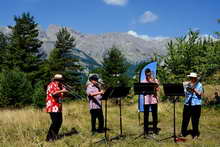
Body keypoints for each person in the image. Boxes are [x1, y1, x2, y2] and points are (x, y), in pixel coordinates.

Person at [45, 74, 68, 141]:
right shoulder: (51, 85)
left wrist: (64, 92)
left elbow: (61, 95)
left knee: (59, 121)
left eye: (60, 80)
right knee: (55, 122)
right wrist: (62, 91)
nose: (60, 81)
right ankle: (49, 138)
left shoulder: (58, 86)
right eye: (59, 80)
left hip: (58, 106)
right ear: (56, 80)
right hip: (52, 106)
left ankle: (54, 136)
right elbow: (53, 93)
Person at [181, 72, 203, 139]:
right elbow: (185, 93)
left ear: (195, 78)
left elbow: (200, 94)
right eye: (190, 77)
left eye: (192, 78)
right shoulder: (187, 84)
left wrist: (194, 90)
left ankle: (195, 134)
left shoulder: (199, 85)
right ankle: (183, 133)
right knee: (185, 119)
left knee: (195, 120)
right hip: (187, 104)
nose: (191, 79)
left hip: (196, 105)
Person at [141, 68, 160, 135]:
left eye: (149, 75)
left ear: (150, 74)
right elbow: (141, 91)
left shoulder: (155, 80)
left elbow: (158, 89)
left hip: (153, 99)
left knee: (154, 115)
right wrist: (143, 91)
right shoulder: (143, 82)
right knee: (146, 115)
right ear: (145, 74)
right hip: (146, 100)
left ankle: (155, 129)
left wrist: (154, 83)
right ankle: (146, 131)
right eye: (147, 75)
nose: (148, 76)